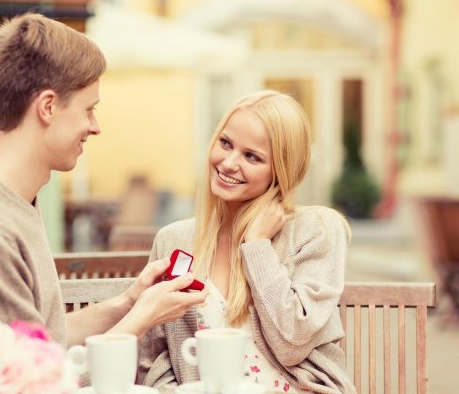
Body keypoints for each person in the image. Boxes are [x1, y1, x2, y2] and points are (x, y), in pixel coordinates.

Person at [0, 13, 207, 393]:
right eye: (89, 108)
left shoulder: (6, 198)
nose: (96, 125)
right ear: (48, 107)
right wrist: (142, 318)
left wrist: (129, 301)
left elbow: (42, 341)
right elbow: (39, 384)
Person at [138, 90, 356, 393]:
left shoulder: (317, 230)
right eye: (225, 143)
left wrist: (257, 246)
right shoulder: (174, 240)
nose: (228, 163)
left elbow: (292, 342)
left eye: (251, 156)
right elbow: (154, 358)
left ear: (280, 171)